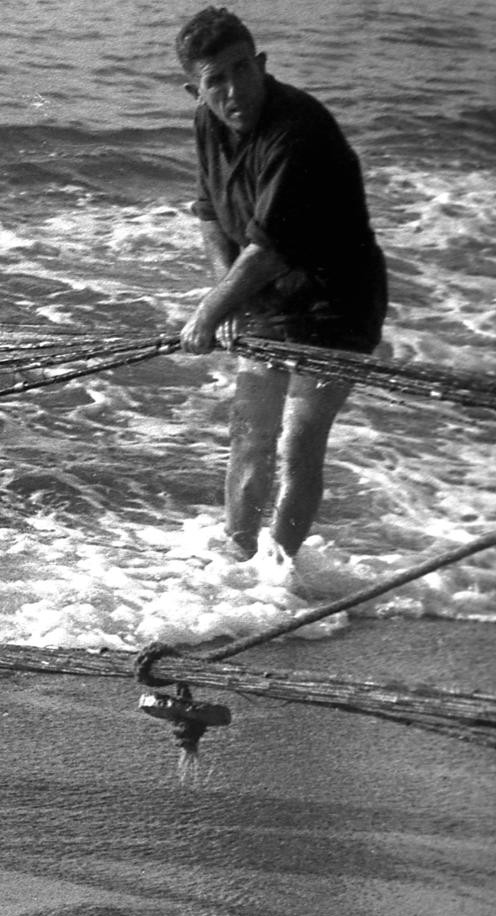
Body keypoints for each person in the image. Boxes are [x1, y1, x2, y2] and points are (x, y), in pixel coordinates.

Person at [173, 7, 387, 562]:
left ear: (262, 63)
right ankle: (237, 559)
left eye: (242, 69)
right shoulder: (207, 122)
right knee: (250, 434)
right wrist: (229, 302)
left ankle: (277, 578)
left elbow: (270, 250)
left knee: (297, 443)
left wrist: (208, 313)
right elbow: (209, 215)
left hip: (337, 300)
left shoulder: (298, 129)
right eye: (215, 80)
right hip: (268, 295)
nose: (233, 90)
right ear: (196, 91)